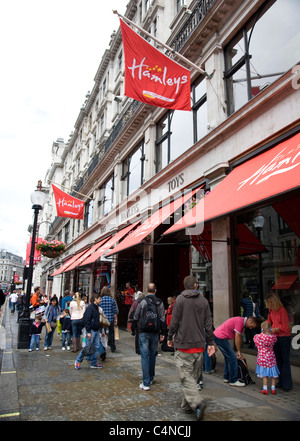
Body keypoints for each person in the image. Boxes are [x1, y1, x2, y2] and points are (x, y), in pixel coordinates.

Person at [167, 276, 215, 421]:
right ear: (195, 285)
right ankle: (187, 406)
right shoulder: (203, 300)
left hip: (184, 345)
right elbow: (208, 323)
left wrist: (170, 336)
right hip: (199, 346)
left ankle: (197, 402)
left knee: (185, 377)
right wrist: (211, 342)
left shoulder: (180, 300)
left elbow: (174, 321)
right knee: (192, 377)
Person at [131, 283, 166, 391]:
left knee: (144, 356)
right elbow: (162, 318)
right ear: (155, 290)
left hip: (143, 332)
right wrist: (163, 333)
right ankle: (150, 377)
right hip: (155, 332)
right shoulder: (160, 302)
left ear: (146, 290)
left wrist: (133, 328)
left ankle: (146, 383)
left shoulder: (143, 302)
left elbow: (136, 316)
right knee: (152, 354)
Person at [213, 315, 261, 386]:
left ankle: (227, 377)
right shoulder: (240, 322)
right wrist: (239, 351)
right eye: (251, 326)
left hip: (218, 336)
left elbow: (239, 337)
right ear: (249, 321)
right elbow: (237, 337)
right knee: (232, 357)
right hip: (221, 337)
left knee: (228, 357)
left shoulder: (240, 321)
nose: (250, 328)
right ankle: (233, 380)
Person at [266, 292, 293, 391]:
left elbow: (285, 327)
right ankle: (280, 381)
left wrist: (275, 329)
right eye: (269, 303)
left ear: (274, 301)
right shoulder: (271, 310)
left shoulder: (282, 311)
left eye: (271, 303)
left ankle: (287, 384)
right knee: (278, 361)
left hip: (284, 337)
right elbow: (269, 321)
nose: (270, 305)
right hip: (275, 338)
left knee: (285, 360)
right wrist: (265, 326)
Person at [75, 293, 103, 369]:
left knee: (95, 347)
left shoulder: (96, 308)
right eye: (99, 298)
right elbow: (87, 320)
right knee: (87, 346)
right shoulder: (90, 308)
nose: (100, 300)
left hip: (96, 330)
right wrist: (89, 331)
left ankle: (94, 363)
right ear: (95, 299)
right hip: (92, 330)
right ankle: (78, 361)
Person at [253, 321, 280, 395]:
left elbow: (255, 339)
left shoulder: (259, 337)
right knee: (272, 374)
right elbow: (275, 340)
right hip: (271, 357)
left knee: (264, 375)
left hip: (262, 357)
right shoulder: (273, 337)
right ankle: (273, 388)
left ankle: (265, 389)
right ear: (270, 328)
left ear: (262, 329)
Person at [100, 286, 119, 353]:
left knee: (103, 333)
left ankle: (103, 346)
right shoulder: (112, 300)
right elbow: (115, 311)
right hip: (111, 319)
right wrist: (116, 319)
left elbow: (99, 310)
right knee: (112, 333)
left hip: (103, 320)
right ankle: (112, 347)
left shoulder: (101, 300)